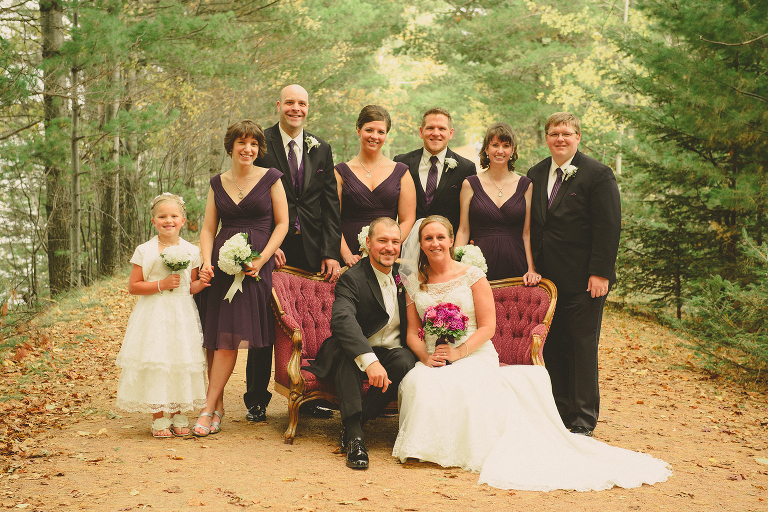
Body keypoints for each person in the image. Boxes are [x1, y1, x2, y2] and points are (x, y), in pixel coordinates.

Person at [392, 217, 670, 491]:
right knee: (419, 381)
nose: (435, 243)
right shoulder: (415, 282)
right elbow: (412, 333)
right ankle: (426, 448)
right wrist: (426, 358)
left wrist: (458, 352)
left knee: (461, 382)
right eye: (428, 238)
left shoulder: (472, 275)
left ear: (452, 240)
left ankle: (459, 450)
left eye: (440, 237)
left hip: (473, 352)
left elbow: (488, 327)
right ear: (421, 244)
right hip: (434, 355)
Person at [245, 84, 342, 422]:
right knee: (264, 322)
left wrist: (331, 252)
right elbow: (253, 199)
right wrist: (266, 247)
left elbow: (330, 205)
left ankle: (310, 395)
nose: (296, 108)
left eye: (302, 103)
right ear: (279, 105)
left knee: (309, 323)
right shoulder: (262, 143)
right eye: (290, 102)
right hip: (274, 247)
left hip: (312, 249)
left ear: (308, 107)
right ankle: (256, 399)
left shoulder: (321, 147)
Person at [527, 112, 622, 436]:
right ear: (546, 138)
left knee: (581, 347)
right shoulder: (536, 173)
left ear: (578, 137)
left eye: (567, 133)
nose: (560, 139)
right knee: (552, 346)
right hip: (547, 282)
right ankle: (558, 411)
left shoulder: (598, 174)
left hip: (584, 280)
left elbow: (608, 226)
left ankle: (582, 418)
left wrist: (600, 273)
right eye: (554, 133)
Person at [193, 120, 289, 436]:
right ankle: (217, 406)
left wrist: (263, 259)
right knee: (215, 337)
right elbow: (209, 228)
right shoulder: (217, 183)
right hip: (221, 265)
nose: (247, 149)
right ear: (231, 146)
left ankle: (207, 408)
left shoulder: (271, 178)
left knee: (228, 338)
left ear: (259, 149)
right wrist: (206, 262)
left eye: (253, 144)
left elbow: (282, 224)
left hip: (254, 268)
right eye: (241, 143)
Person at [305, 217, 416, 470]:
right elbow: (342, 320)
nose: (389, 248)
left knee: (405, 360)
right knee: (349, 355)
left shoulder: (405, 277)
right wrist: (369, 360)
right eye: (382, 241)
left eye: (395, 242)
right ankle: (355, 438)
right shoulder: (352, 278)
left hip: (390, 352)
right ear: (368, 242)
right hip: (349, 349)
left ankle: (357, 422)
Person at [116, 193, 211, 438]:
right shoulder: (145, 250)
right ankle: (159, 417)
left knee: (179, 360)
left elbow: (189, 287)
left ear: (183, 220)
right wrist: (161, 284)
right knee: (158, 360)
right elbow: (134, 286)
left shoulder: (191, 250)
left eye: (174, 216)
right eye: (162, 217)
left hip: (181, 314)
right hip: (154, 313)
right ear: (153, 221)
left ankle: (178, 413)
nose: (168, 220)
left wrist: (203, 282)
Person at [455, 122, 539, 283]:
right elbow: (464, 230)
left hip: (517, 263)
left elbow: (527, 233)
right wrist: (455, 267)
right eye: (495, 145)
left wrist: (531, 268)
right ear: (486, 149)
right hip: (479, 266)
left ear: (512, 150)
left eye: (506, 146)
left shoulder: (526, 185)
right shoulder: (469, 184)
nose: (500, 151)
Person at [335, 105, 416, 267]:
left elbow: (408, 219)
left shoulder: (401, 172)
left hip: (387, 255)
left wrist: (389, 246)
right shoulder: (340, 172)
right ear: (358, 130)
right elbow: (332, 219)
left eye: (381, 132)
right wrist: (346, 254)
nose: (374, 136)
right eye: (369, 130)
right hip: (348, 252)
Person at [394, 107, 476, 232]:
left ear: (451, 133)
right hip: (407, 239)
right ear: (421, 132)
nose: (436, 133)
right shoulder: (401, 163)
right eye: (430, 128)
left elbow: (470, 218)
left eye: (442, 128)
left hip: (447, 242)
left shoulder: (466, 169)